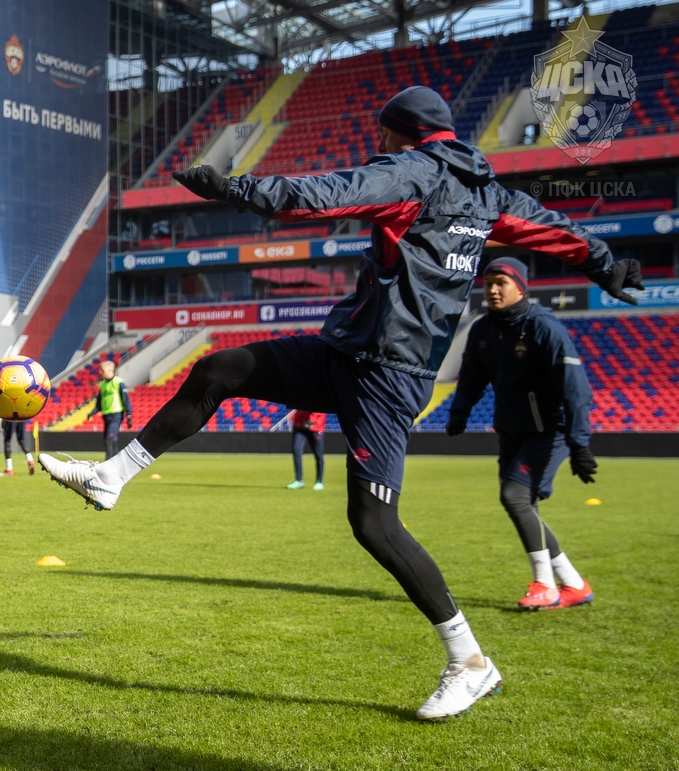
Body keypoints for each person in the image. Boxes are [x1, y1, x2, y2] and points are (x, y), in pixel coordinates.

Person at [40, 85, 643, 720]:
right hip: (347, 351)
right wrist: (606, 264)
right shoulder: (489, 193)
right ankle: (112, 475)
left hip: (386, 371)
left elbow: (324, 194)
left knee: (374, 524)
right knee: (220, 369)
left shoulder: (414, 171)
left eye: (384, 131)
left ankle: (470, 661)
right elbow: (555, 230)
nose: (379, 141)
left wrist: (234, 190)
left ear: (401, 131)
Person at [447, 257, 596, 610]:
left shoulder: (543, 327)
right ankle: (574, 585)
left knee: (514, 497)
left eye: (501, 282)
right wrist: (459, 413)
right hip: (511, 432)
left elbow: (575, 389)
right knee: (524, 505)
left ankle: (544, 585)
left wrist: (579, 444)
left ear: (521, 287)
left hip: (549, 431)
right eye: (488, 284)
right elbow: (471, 377)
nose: (493, 290)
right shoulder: (483, 330)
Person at [90, 360, 131, 459]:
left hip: (116, 415)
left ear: (109, 370)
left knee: (109, 439)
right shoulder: (103, 385)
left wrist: (129, 415)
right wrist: (92, 413)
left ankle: (107, 462)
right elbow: (99, 403)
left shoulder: (118, 382)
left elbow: (125, 400)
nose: (100, 372)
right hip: (106, 416)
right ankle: (117, 461)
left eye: (102, 370)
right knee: (111, 439)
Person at [287, 410, 326, 490]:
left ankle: (319, 481)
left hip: (315, 427)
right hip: (300, 426)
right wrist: (295, 417)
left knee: (318, 454)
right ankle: (299, 480)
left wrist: (311, 420)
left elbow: (319, 408)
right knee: (296, 450)